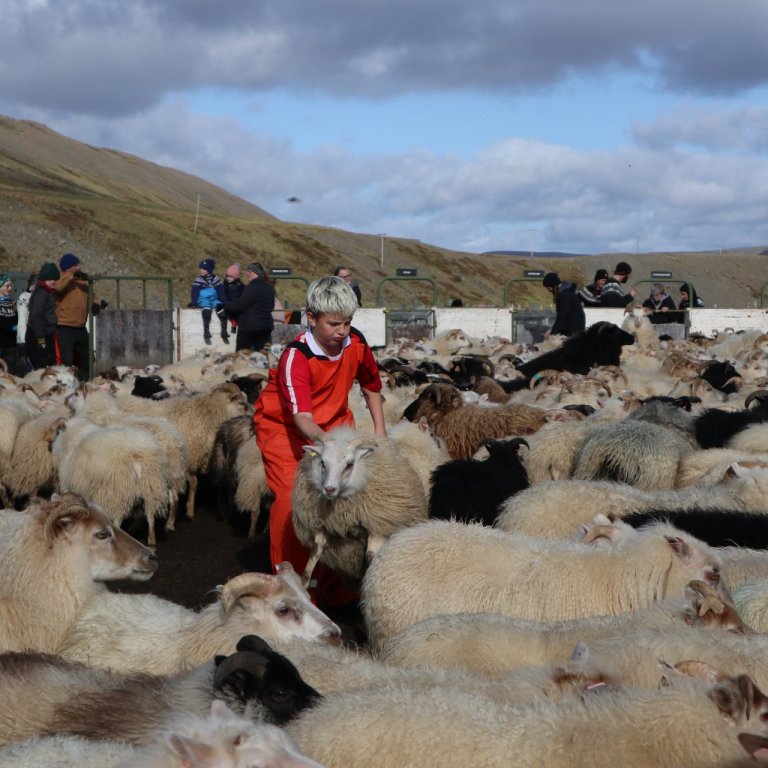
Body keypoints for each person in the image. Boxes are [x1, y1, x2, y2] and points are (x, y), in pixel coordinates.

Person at [253, 275, 386, 606]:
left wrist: (381, 432)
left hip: (336, 424)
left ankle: (335, 580)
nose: (342, 331)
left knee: (343, 501)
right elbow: (302, 418)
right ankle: (293, 584)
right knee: (292, 501)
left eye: (348, 322)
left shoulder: (355, 343)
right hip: (286, 429)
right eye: (334, 323)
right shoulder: (296, 358)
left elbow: (371, 384)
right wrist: (327, 447)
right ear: (311, 318)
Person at [54, 253, 107, 377]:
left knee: (89, 358)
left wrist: (98, 303)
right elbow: (58, 288)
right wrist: (71, 276)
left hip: (80, 327)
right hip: (64, 327)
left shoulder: (82, 281)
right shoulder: (60, 279)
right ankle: (66, 386)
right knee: (67, 360)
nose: (78, 267)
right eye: (75, 265)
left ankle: (84, 382)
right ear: (68, 267)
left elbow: (92, 296)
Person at [222, 262, 275, 353]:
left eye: (249, 271)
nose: (247, 274)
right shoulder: (269, 287)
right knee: (262, 356)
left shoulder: (251, 286)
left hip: (249, 327)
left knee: (242, 355)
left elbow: (240, 306)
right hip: (266, 327)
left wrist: (223, 304)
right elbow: (271, 307)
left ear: (256, 273)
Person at [26, 262, 60, 370]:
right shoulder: (42, 293)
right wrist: (41, 342)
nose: (53, 282)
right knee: (42, 368)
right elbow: (36, 317)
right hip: (38, 337)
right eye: (50, 280)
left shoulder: (47, 292)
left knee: (49, 365)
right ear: (43, 280)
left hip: (46, 335)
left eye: (55, 279)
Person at [190, 258, 227, 345]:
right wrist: (194, 302)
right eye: (201, 268)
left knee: (222, 312)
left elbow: (220, 290)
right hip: (203, 299)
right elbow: (194, 292)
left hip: (214, 299)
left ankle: (224, 332)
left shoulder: (215, 279)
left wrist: (224, 301)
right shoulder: (198, 279)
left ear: (209, 270)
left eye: (204, 269)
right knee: (207, 312)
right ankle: (206, 332)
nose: (201, 270)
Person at [542, 272, 586, 337]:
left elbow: (562, 317)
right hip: (575, 328)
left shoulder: (564, 295)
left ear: (554, 285)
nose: (549, 290)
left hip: (572, 331)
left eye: (549, 288)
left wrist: (552, 334)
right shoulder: (566, 293)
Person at [15, 270, 37, 375]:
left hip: (40, 338)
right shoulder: (24, 297)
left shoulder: (43, 298)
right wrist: (22, 341)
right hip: (27, 340)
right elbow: (22, 320)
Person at [0, 274, 19, 375]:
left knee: (10, 374)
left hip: (11, 345)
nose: (10, 288)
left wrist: (16, 327)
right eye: (7, 286)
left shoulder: (12, 303)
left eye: (10, 286)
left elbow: (16, 320)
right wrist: (13, 327)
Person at [222, 263, 244, 337]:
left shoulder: (240, 285)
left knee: (236, 313)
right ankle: (231, 326)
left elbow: (245, 292)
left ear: (236, 277)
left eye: (231, 277)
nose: (228, 278)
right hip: (228, 303)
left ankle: (235, 325)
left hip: (236, 304)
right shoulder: (224, 285)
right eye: (227, 276)